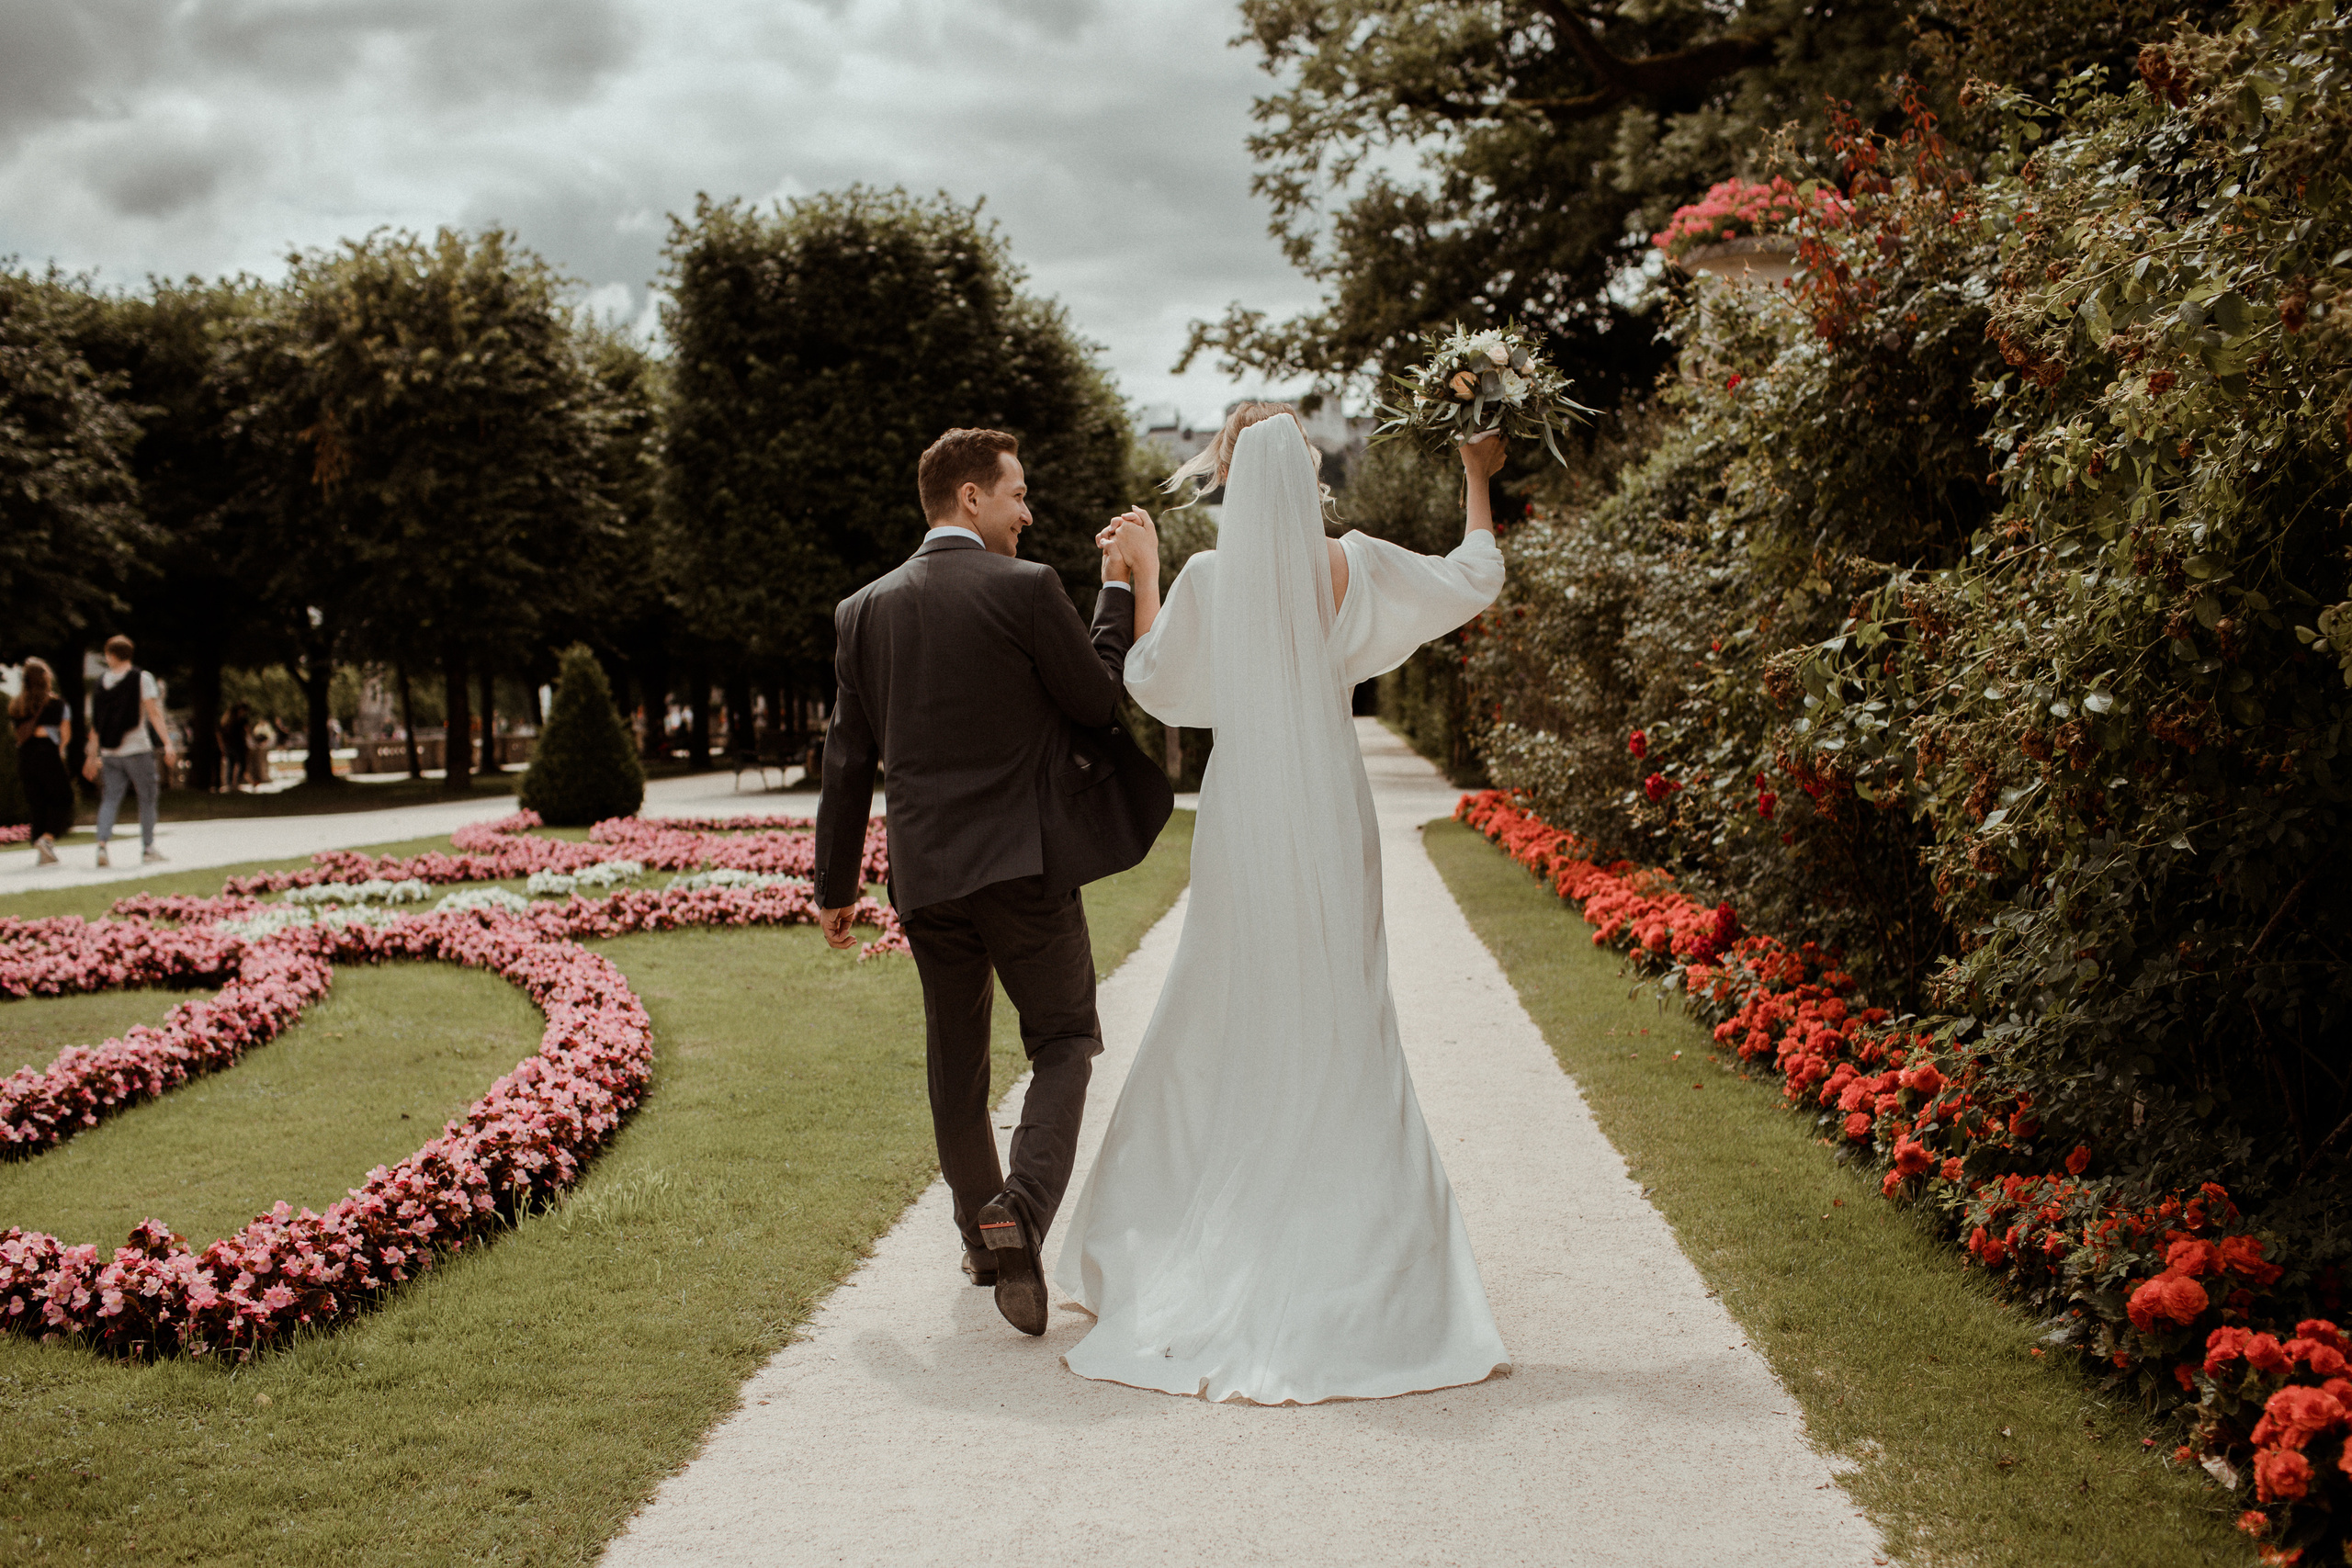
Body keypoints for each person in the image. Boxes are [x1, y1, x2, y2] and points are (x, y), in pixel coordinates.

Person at [1053, 406, 1512, 1404]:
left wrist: (1142, 573)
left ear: (1227, 479)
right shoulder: (1352, 566)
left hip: (1246, 809)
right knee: (1350, 1011)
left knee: (1228, 1000)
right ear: (1307, 477)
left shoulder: (1215, 582)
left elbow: (1155, 681)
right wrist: (1477, 475)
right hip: (1330, 803)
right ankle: (1371, 1247)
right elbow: (1476, 575)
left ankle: (1192, 1227)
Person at [812, 427, 1172, 1337]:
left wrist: (833, 886)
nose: (1028, 511)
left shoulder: (862, 610)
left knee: (955, 1061)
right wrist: (1117, 589)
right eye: (1017, 494)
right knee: (1062, 1040)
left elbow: (847, 759)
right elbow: (1095, 697)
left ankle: (984, 1241)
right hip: (1024, 867)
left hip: (925, 875)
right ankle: (1021, 1214)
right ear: (970, 498)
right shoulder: (1026, 589)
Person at [83, 635, 175, 867]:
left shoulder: (101, 683)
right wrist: (167, 742)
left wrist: (92, 757)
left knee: (110, 798)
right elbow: (153, 713)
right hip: (137, 748)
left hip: (110, 752)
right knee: (147, 797)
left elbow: (96, 725)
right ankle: (148, 847)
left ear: (110, 655)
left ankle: (102, 845)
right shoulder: (142, 679)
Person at [10, 658, 75, 864]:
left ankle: (42, 848)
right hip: (47, 753)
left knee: (37, 803)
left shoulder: (16, 704)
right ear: (45, 678)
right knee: (64, 798)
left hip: (25, 756)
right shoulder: (57, 703)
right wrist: (60, 750)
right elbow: (66, 734)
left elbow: (17, 733)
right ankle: (47, 839)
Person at [218, 703, 251, 792]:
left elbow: (220, 734)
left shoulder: (225, 721)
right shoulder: (241, 721)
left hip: (229, 746)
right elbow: (247, 732)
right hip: (238, 745)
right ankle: (236, 783)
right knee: (241, 764)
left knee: (230, 765)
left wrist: (222, 747)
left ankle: (230, 784)